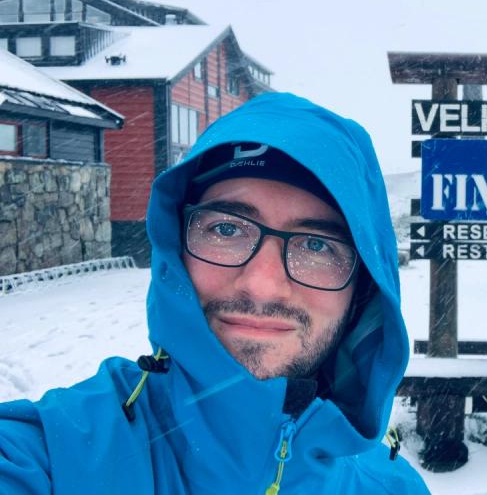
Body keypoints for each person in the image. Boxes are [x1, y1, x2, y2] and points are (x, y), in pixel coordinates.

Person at [0, 93, 430, 494]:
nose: (261, 283)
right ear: (177, 251)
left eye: (317, 245)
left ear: (363, 290)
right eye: (226, 229)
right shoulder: (51, 457)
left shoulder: (392, 486)